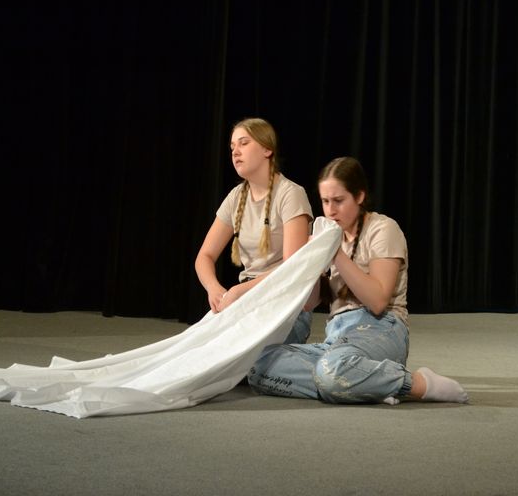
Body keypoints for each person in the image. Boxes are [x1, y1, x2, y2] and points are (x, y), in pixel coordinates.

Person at [248, 156, 469, 405]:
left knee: (332, 370)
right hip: (338, 337)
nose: (331, 210)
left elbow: (378, 301)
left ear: (360, 196)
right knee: (259, 366)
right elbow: (309, 304)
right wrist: (310, 261)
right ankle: (366, 385)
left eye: (339, 201)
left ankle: (416, 384)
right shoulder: (330, 236)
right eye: (325, 201)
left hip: (382, 329)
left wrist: (335, 253)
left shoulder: (383, 229)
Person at [194, 117, 314, 342]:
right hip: (246, 301)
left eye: (244, 143)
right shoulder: (236, 197)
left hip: (283, 302)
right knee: (200, 346)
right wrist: (214, 289)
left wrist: (239, 291)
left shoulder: (290, 194)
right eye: (232, 147)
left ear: (267, 149)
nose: (235, 152)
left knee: (246, 351)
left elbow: (292, 268)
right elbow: (204, 256)